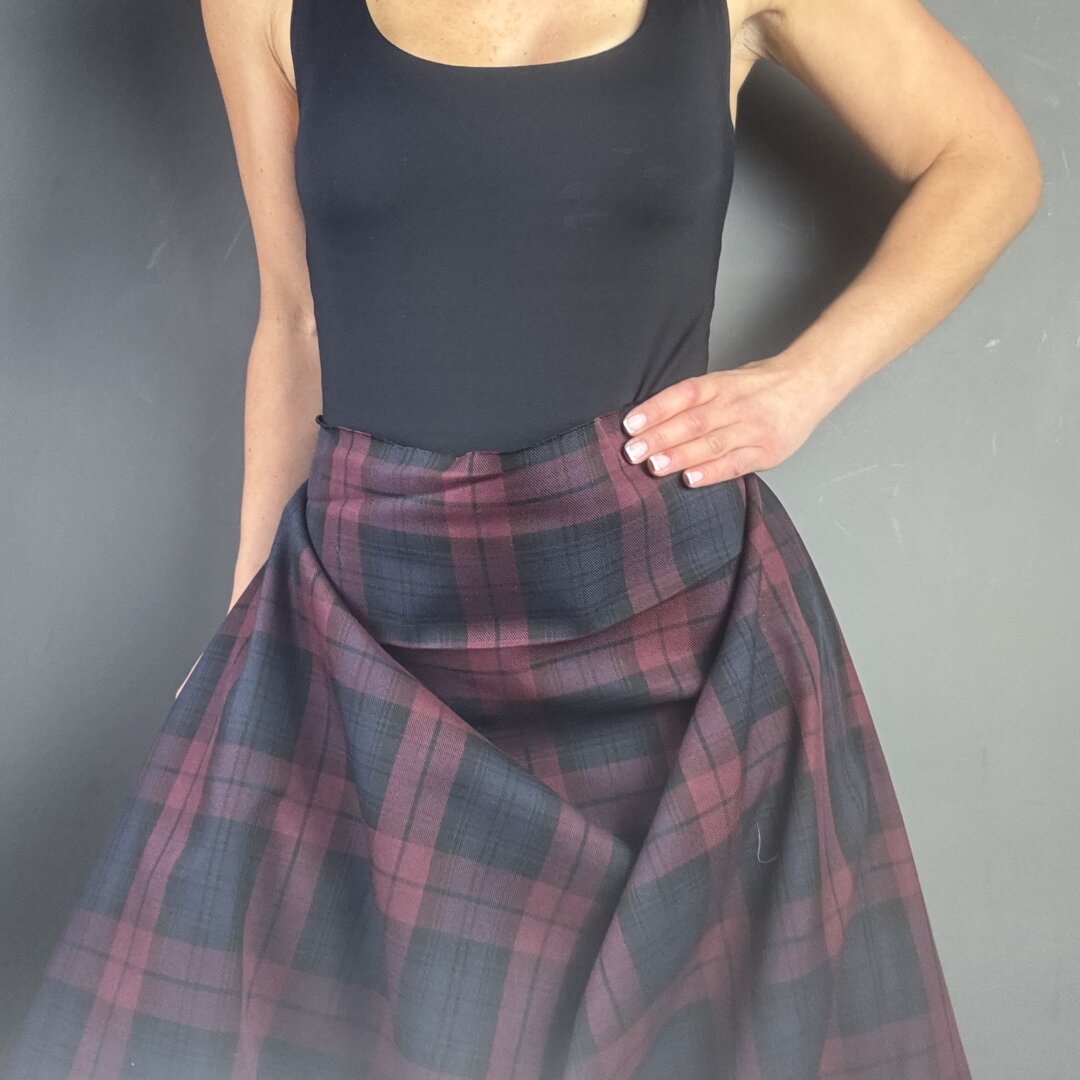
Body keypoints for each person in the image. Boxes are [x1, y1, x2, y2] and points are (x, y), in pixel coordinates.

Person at [7, 0, 1040, 1076]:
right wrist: (249, 612)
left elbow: (985, 158)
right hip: (368, 623)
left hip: (673, 631)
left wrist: (802, 383)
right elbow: (295, 318)